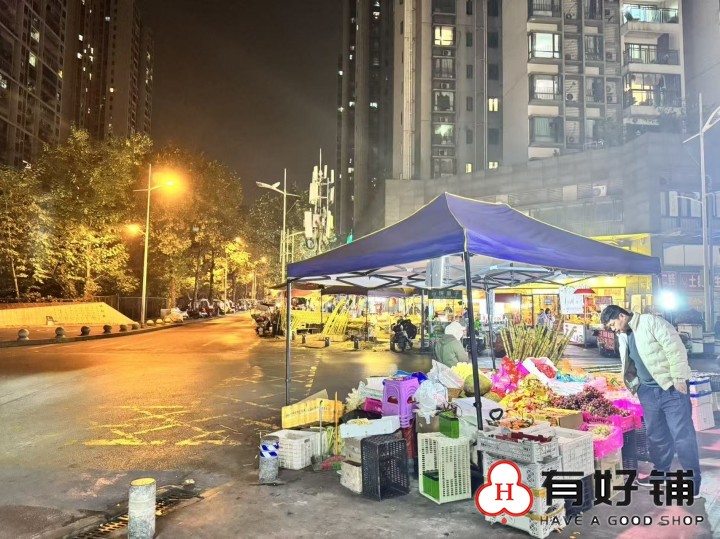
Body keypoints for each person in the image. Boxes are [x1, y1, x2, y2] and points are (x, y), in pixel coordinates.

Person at [601, 305, 700, 495]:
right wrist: (635, 386)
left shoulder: (651, 322)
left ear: (622, 316)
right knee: (656, 435)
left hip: (670, 388)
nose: (613, 329)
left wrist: (679, 378)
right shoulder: (623, 335)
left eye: (613, 324)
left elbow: (675, 349)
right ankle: (661, 473)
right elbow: (629, 362)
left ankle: (692, 482)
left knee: (682, 435)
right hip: (647, 391)